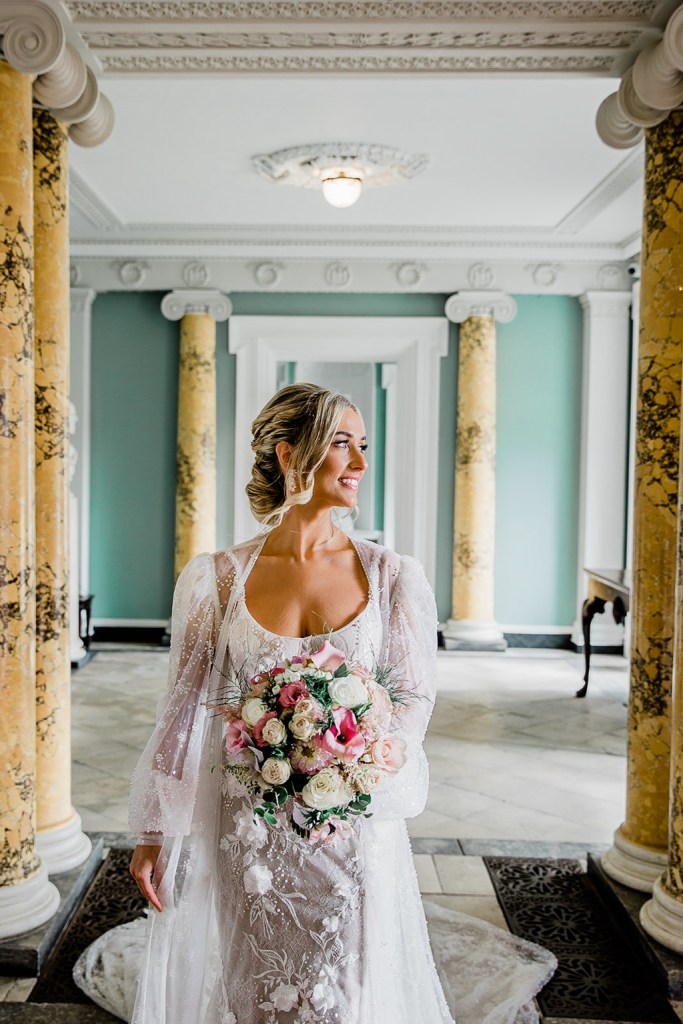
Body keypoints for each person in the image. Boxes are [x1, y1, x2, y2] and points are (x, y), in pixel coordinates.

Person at [74, 383, 556, 1024]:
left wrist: (355, 767)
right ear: (289, 454)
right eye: (341, 444)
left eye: (363, 446)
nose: (359, 462)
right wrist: (156, 831)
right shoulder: (218, 578)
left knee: (347, 989)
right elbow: (182, 709)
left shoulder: (390, 576)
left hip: (351, 828)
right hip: (249, 832)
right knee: (254, 979)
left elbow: (412, 705)